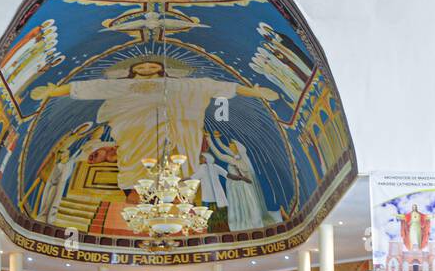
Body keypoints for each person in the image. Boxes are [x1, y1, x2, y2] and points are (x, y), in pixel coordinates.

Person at [31, 59, 278, 194]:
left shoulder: (183, 86)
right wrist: (53, 91)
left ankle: (175, 206)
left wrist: (254, 92)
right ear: (132, 71)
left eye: (153, 66)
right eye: (142, 67)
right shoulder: (122, 87)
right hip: (136, 134)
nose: (148, 68)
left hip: (179, 133)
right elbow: (87, 88)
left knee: (181, 172)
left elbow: (215, 86)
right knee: (137, 174)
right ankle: (142, 206)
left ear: (162, 69)